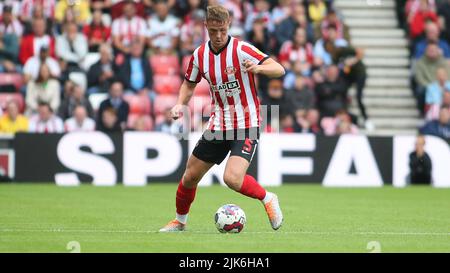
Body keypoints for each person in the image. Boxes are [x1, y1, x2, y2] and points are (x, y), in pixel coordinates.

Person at [159, 5, 285, 232]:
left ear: (229, 26)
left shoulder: (242, 49)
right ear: (206, 26)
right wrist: (180, 103)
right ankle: (180, 221)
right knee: (190, 176)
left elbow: (279, 69)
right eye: (214, 31)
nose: (218, 36)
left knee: (233, 179)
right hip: (219, 123)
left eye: (223, 31)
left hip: (248, 122)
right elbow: (189, 84)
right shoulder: (199, 55)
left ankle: (268, 198)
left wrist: (258, 69)